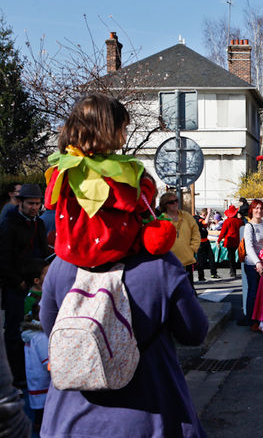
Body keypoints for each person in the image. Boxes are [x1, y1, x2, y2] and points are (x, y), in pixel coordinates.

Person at [39, 93, 208, 437]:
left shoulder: (61, 266)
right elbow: (194, 332)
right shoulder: (160, 266)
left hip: (68, 421)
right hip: (147, 417)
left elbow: (49, 328)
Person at [0, 183, 48, 386]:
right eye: (30, 203)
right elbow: (3, 259)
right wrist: (17, 281)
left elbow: (43, 252)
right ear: (20, 202)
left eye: (37, 203)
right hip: (16, 287)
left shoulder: (39, 224)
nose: (34, 207)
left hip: (35, 286)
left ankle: (32, 373)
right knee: (14, 331)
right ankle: (17, 376)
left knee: (35, 329)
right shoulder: (8, 225)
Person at [21, 257, 51, 433]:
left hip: (40, 350)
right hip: (41, 372)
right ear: (37, 281)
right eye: (47, 274)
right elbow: (49, 365)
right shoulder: (32, 301)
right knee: (40, 407)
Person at [238, 199, 263, 327]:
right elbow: (249, 247)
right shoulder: (249, 226)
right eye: (256, 208)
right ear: (252, 210)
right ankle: (250, 318)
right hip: (252, 264)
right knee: (253, 291)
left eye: (261, 208)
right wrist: (257, 262)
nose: (259, 210)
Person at [160, 192, 200, 288]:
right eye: (171, 202)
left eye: (176, 201)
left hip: (187, 260)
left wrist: (193, 248)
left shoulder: (187, 216)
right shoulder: (161, 220)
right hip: (169, 262)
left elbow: (196, 233)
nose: (175, 204)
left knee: (188, 289)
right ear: (165, 205)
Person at [217, 205, 242, 279]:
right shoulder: (240, 222)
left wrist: (219, 240)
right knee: (235, 255)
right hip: (237, 241)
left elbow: (223, 232)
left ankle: (232, 271)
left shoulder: (227, 221)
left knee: (231, 256)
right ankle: (235, 270)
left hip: (229, 241)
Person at [195, 208, 217, 281]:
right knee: (200, 261)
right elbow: (205, 222)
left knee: (211, 258)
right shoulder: (199, 220)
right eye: (206, 215)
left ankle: (213, 273)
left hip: (205, 242)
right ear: (204, 215)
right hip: (200, 243)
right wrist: (209, 212)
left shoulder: (200, 221)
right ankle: (201, 276)